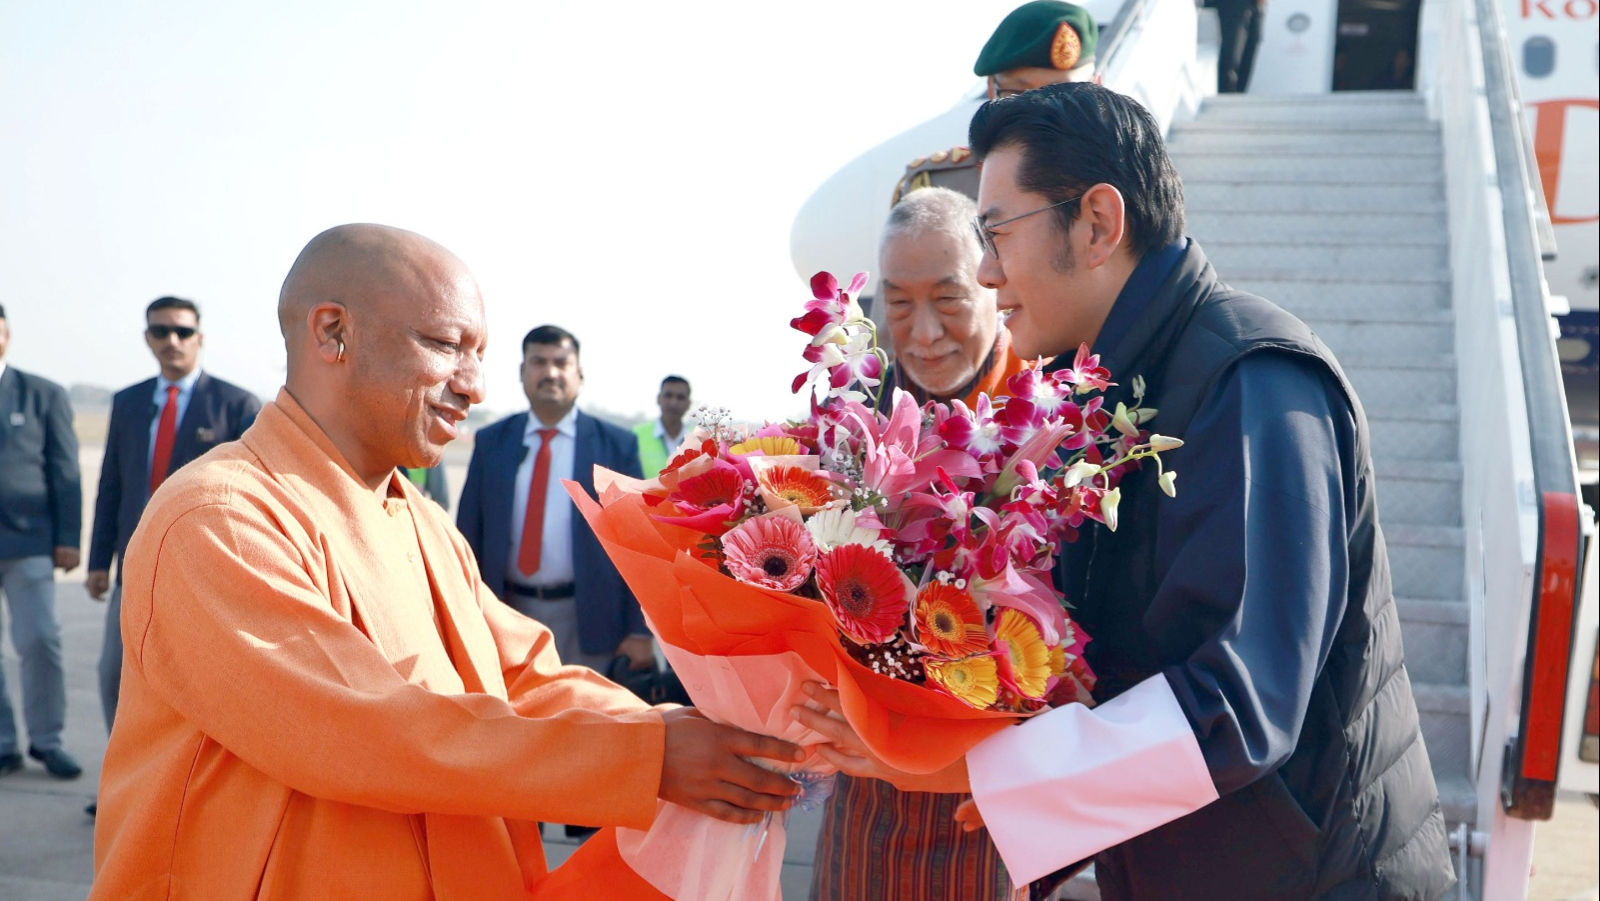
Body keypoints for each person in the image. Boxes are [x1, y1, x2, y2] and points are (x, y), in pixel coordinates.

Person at [798, 83, 1456, 899]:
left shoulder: (1249, 380)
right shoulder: (1113, 395)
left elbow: (1238, 707)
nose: (991, 271)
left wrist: (976, 769)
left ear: (1100, 224)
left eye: (997, 232)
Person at [90, 223, 803, 898]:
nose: (475, 384)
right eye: (445, 344)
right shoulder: (219, 518)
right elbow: (364, 729)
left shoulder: (423, 523)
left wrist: (705, 740)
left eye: (480, 354)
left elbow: (529, 679)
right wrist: (645, 759)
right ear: (333, 332)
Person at [812, 186, 1033, 901]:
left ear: (994, 282)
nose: (925, 332)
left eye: (949, 298)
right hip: (864, 797)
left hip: (991, 805)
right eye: (899, 305)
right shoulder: (850, 418)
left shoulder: (1047, 418)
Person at [85, 297, 260, 742]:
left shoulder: (235, 405)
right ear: (148, 338)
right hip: (135, 566)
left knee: (197, 682)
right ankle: (126, 788)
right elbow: (112, 486)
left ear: (200, 338)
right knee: (114, 675)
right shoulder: (128, 403)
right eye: (160, 331)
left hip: (204, 567)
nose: (172, 341)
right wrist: (97, 562)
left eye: (182, 332)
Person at [458, 326, 654, 676]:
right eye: (538, 362)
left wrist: (640, 630)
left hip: (590, 619)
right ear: (522, 373)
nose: (550, 372)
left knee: (589, 723)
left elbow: (640, 544)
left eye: (561, 363)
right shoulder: (492, 443)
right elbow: (468, 534)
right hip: (504, 614)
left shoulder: (615, 446)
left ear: (580, 374)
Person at [891, 1, 1099, 206]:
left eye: (1061, 93)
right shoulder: (940, 186)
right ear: (992, 90)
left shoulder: (1125, 174)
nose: (1040, 110)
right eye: (1019, 94)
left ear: (1097, 87)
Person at [0, 304, 83, 780]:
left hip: (28, 542)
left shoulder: (41, 394)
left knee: (40, 640)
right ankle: (3, 743)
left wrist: (67, 538)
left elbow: (65, 470)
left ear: (7, 334)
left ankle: (48, 740)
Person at [632, 375, 691, 478]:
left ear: (688, 404)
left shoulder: (698, 440)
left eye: (680, 397)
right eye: (668, 395)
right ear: (659, 399)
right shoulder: (635, 436)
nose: (673, 403)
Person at [1213, 0, 1264, 94]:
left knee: (1251, 45)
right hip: (1233, 4)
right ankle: (1227, 94)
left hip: (1253, 4)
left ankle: (1238, 94)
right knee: (1233, 49)